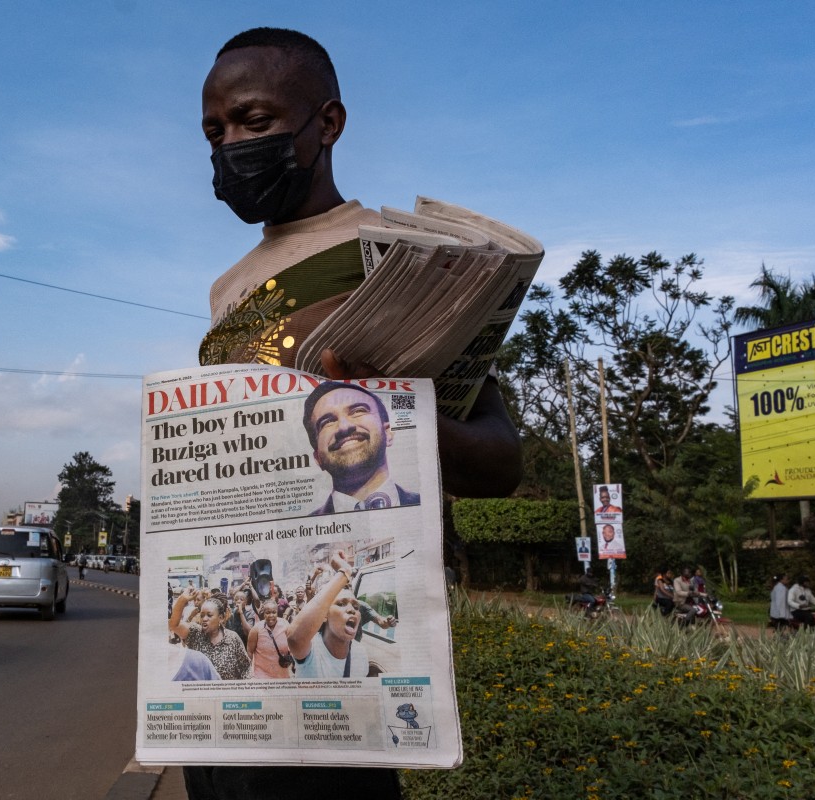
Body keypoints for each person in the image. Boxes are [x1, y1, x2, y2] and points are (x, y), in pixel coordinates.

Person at [187, 26, 523, 800]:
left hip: (338, 652)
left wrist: (390, 411)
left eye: (254, 121)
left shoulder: (401, 262)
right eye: (215, 132)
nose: (231, 145)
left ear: (328, 123)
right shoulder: (225, 289)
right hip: (243, 655)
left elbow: (500, 461)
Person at [303, 381, 420, 514]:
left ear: (387, 433)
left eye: (358, 411)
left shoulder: (430, 503)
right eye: (327, 422)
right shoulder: (304, 526)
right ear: (318, 458)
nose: (344, 426)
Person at [286, 550, 368, 678]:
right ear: (324, 615)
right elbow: (294, 638)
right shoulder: (312, 648)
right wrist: (345, 571)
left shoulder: (360, 654)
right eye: (341, 604)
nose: (351, 609)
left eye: (356, 606)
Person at [169, 587, 251, 680]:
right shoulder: (195, 633)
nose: (204, 619)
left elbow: (246, 669)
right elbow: (174, 625)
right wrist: (182, 600)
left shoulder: (232, 638)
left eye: (209, 615)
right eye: (202, 615)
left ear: (221, 618)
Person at [246, 600, 293, 678]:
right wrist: (248, 672)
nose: (271, 615)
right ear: (263, 614)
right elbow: (250, 651)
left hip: (282, 675)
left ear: (277, 613)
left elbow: (292, 646)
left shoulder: (285, 625)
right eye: (267, 613)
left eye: (274, 612)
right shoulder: (256, 629)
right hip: (261, 675)